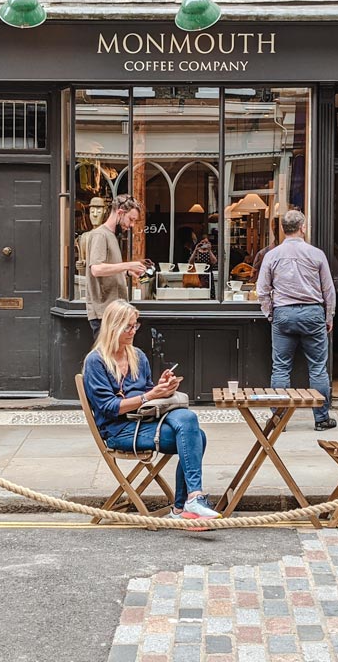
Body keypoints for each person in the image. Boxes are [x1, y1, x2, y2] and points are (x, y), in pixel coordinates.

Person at [82, 300, 220, 521]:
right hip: (120, 430)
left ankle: (191, 500)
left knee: (189, 419)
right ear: (112, 327)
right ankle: (183, 506)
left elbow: (147, 393)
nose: (133, 331)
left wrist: (164, 388)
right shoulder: (96, 361)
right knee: (197, 438)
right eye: (128, 327)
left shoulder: (137, 355)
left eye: (135, 325)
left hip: (147, 419)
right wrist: (150, 395)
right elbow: (109, 408)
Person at [256, 209, 337, 430]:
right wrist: (328, 316)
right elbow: (328, 290)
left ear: (282, 229)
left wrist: (270, 313)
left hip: (284, 312)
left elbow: (262, 290)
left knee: (280, 368)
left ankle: (279, 418)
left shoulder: (272, 255)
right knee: (318, 368)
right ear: (303, 228)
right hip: (312, 313)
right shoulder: (316, 254)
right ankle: (321, 419)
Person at [86, 194, 147, 336]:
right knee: (106, 357)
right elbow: (96, 269)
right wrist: (127, 265)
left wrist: (127, 272)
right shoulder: (100, 235)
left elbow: (107, 268)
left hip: (115, 312)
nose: (131, 225)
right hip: (105, 314)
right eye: (131, 219)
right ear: (120, 213)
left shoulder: (112, 235)